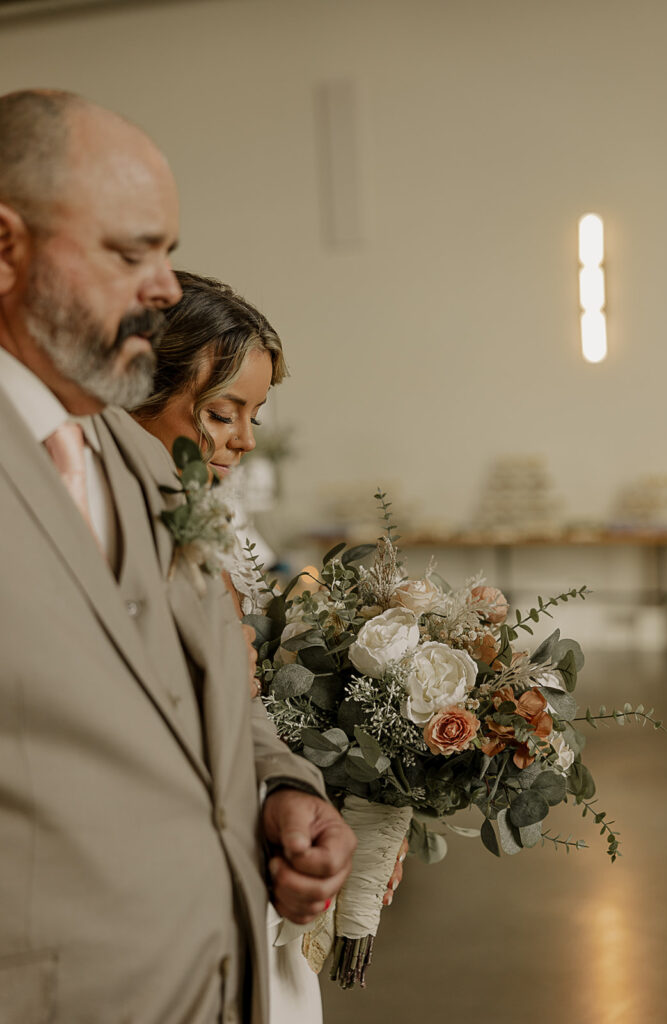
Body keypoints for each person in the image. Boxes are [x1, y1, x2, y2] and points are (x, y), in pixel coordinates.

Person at [0, 88, 355, 1024]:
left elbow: (198, 680)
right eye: (131, 254)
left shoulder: (132, 458)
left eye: (167, 253)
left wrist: (282, 786)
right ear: (5, 248)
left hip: (211, 972)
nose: (164, 289)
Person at [134, 271, 408, 1023]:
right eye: (223, 413)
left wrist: (320, 791)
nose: (245, 440)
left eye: (253, 414)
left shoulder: (212, 535)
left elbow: (248, 694)